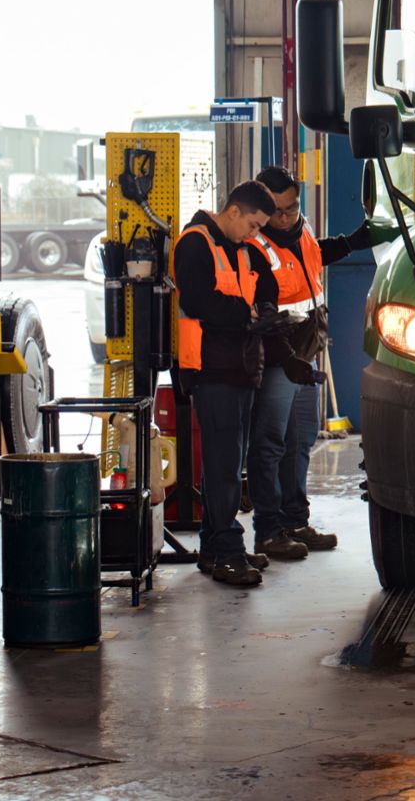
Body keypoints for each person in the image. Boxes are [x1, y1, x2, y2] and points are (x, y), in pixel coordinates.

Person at [244, 165, 370, 561]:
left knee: (300, 441)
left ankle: (295, 520)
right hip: (279, 359)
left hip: (305, 353)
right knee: (269, 444)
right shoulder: (255, 247)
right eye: (278, 211)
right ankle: (268, 531)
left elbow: (313, 258)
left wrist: (351, 243)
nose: (286, 218)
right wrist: (287, 360)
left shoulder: (302, 229)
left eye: (292, 208)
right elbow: (260, 314)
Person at [173, 181, 280, 588]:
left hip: (240, 368)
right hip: (211, 370)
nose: (254, 234)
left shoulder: (243, 249)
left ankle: (214, 548)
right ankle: (228, 553)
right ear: (233, 211)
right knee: (223, 467)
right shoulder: (195, 244)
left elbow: (265, 280)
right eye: (252, 224)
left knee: (228, 463)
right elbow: (200, 301)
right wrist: (248, 316)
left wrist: (266, 307)